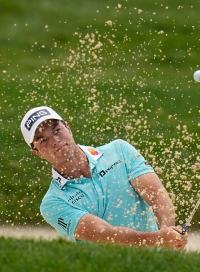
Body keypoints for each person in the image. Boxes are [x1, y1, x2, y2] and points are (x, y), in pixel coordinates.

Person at [20, 106, 188, 249]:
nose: (55, 141)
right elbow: (106, 235)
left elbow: (157, 196)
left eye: (57, 131)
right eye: (43, 140)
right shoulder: (54, 203)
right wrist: (158, 239)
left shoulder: (119, 151)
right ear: (37, 153)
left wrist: (169, 235)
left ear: (68, 128)